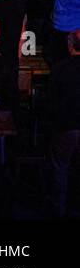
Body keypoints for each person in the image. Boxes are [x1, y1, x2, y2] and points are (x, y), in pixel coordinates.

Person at [46, 30, 80, 217]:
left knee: (60, 168)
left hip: (66, 126)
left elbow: (52, 100)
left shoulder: (60, 68)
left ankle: (59, 209)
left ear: (70, 45)